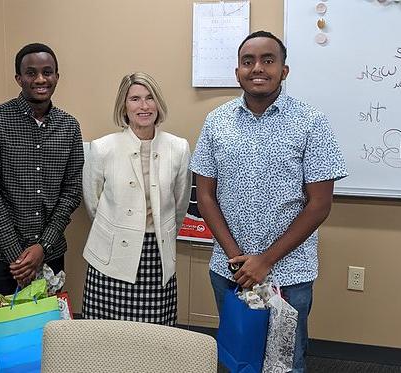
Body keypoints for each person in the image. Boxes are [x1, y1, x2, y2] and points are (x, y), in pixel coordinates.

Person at [189, 31, 348, 372]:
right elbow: (205, 195)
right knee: (237, 356)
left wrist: (264, 261)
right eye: (248, 62)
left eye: (268, 60)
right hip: (230, 270)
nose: (257, 68)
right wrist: (237, 259)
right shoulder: (216, 121)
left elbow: (319, 204)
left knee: (285, 362)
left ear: (284, 70)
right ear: (237, 72)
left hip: (288, 273)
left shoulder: (311, 122)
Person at [0, 42, 83, 373]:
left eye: (47, 72)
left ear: (57, 77)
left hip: (49, 256)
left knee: (44, 343)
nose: (40, 79)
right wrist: (18, 256)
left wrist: (41, 247)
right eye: (31, 72)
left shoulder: (69, 126)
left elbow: (71, 191)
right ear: (18, 78)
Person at [81, 72, 191, 325]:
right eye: (135, 99)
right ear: (124, 106)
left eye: (150, 98)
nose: (144, 106)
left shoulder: (178, 148)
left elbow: (180, 204)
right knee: (106, 336)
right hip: (110, 258)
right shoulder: (103, 148)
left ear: (158, 104)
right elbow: (93, 204)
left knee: (153, 338)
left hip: (157, 254)